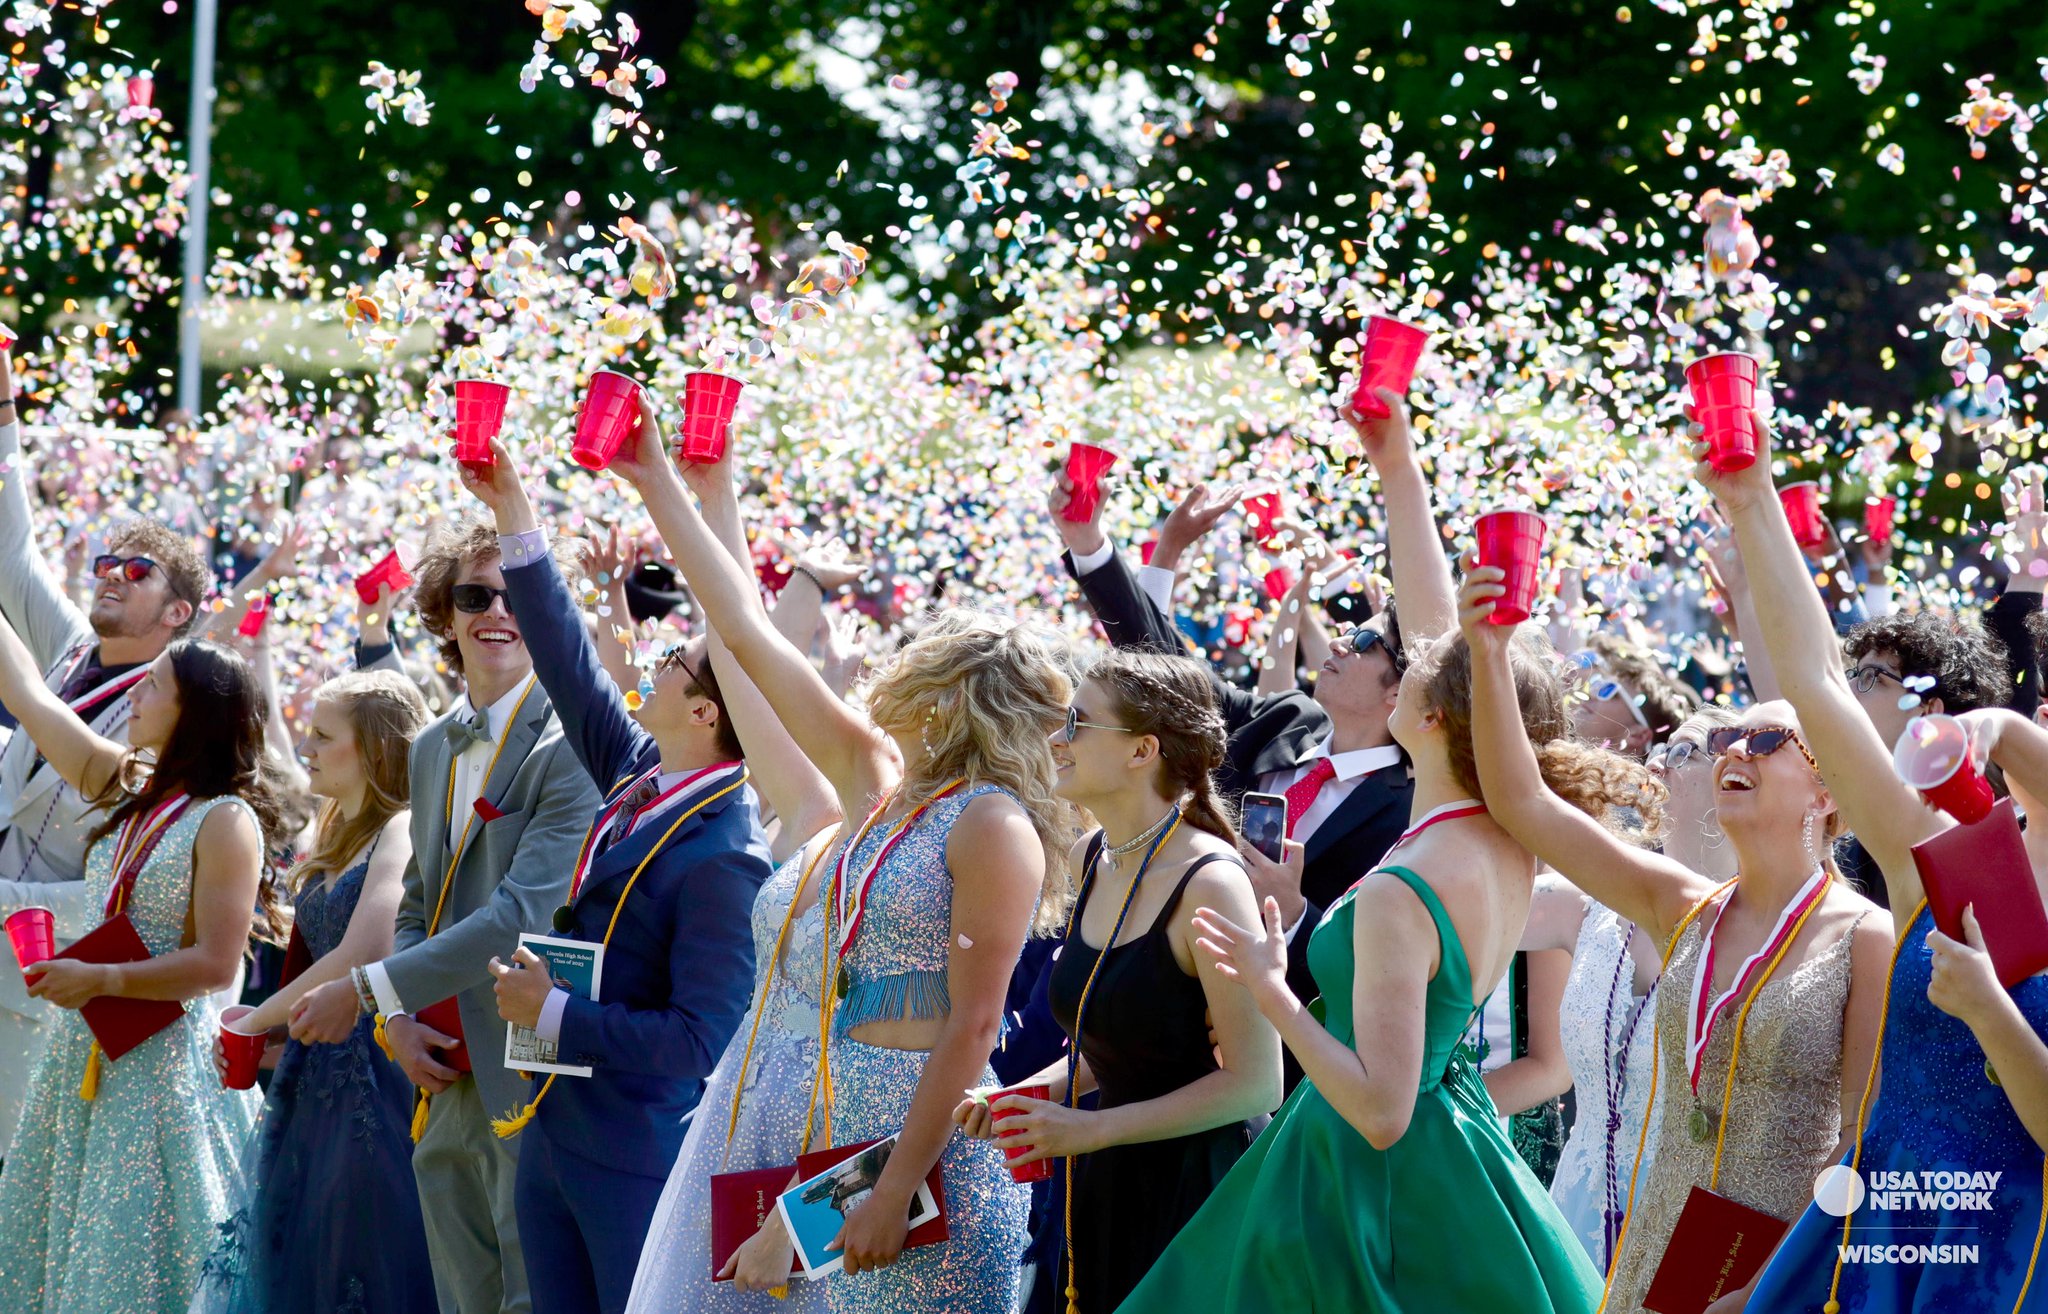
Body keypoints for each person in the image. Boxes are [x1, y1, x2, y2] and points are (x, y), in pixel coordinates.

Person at [1117, 387, 1609, 1313]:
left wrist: (1271, 988)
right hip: (1456, 1161)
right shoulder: (1504, 835)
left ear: (1430, 717)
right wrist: (1397, 464)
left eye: (1416, 669)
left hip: (1362, 1186)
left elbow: (1381, 1111)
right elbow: (1440, 634)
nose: (1402, 660)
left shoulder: (1405, 882)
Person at [612, 399, 1070, 1314]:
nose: (886, 672)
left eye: (916, 664)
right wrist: (657, 480)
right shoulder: (877, 786)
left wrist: (887, 1192)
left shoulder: (991, 823)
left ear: (949, 698)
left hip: (917, 1164)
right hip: (820, 1146)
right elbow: (743, 633)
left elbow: (974, 1028)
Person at [1455, 558, 1891, 1314]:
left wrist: (1763, 1286)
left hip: (1783, 1270)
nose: (1733, 751)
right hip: (1659, 1254)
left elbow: (1862, 1139)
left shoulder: (1865, 935)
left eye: (1764, 741)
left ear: (1825, 792)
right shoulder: (1684, 905)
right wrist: (1488, 653)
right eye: (1727, 740)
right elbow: (1522, 801)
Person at [1692, 411, 2048, 1314]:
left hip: (1997, 1253)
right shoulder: (1955, 853)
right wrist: (1752, 499)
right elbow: (1815, 684)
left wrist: (1989, 1011)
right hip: (1875, 1218)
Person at [456, 440, 776, 1314]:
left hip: (635, 1151)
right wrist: (513, 511)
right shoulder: (641, 770)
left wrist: (555, 1013)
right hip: (557, 1127)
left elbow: (700, 1039)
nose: (657, 661)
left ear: (705, 712)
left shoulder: (727, 854)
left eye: (676, 664)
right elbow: (566, 662)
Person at [289, 515, 603, 1314]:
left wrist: (368, 991)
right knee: (462, 1298)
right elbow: (419, 900)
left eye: (517, 597)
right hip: (437, 1065)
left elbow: (520, 917)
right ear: (444, 611)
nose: (497, 612)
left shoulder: (574, 742)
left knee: (534, 1297)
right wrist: (395, 1018)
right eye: (474, 596)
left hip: (534, 1068)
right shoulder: (432, 745)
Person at [1050, 421, 1425, 1084]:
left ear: (1402, 688)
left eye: (1366, 642)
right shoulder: (1284, 719)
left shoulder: (1407, 813)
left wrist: (1296, 914)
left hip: (1279, 1073)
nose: (1340, 642)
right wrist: (1091, 546)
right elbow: (1165, 675)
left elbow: (1374, 977)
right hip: (1155, 1014)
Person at [956, 649, 1282, 1311]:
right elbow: (1119, 1045)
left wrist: (1093, 1130)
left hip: (1200, 1197)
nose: (1057, 739)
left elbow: (1257, 1083)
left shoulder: (1212, 883)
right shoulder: (1091, 856)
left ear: (1142, 751)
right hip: (1107, 1180)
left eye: (1077, 723)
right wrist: (1023, 1096)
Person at [621, 426, 844, 1314]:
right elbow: (746, 654)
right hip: (743, 1112)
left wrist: (807, 1217)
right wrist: (711, 499)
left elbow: (950, 1054)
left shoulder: (956, 847)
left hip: (848, 1130)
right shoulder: (820, 816)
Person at [0, 625, 285, 1312]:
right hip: (85, 1053)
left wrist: (101, 979)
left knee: (136, 1265)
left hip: (160, 1072)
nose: (134, 694)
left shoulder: (225, 820)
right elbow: (30, 696)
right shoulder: (128, 786)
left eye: (153, 684)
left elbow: (215, 964)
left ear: (194, 712)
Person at [0, 346, 217, 1152]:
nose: (111, 576)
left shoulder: (171, 716)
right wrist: (5, 406)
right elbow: (13, 548)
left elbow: (123, 879)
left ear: (178, 613)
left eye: (138, 570)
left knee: (18, 1171)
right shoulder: (66, 649)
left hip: (43, 976)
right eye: (106, 564)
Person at [192, 669, 435, 1314]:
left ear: (375, 749)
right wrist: (273, 1032)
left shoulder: (402, 827)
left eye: (324, 737)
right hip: (312, 1077)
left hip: (372, 1082)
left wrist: (252, 1021)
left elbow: (364, 954)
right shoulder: (334, 834)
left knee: (359, 1261)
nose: (305, 748)